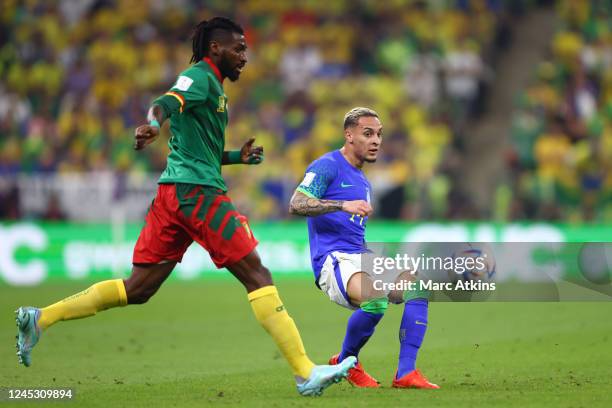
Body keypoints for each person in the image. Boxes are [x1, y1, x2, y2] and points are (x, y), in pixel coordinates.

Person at [15, 17, 355, 397]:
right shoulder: (200, 77)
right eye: (238, 48)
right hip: (199, 196)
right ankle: (305, 372)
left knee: (138, 288)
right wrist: (152, 124)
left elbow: (195, 148)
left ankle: (40, 318)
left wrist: (234, 156)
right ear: (216, 49)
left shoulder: (213, 86)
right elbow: (165, 102)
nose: (245, 56)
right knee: (258, 276)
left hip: (174, 194)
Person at [289, 107, 439, 389]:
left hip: (359, 256)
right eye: (367, 133)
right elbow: (296, 204)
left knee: (417, 287)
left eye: (379, 135)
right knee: (375, 299)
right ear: (349, 135)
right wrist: (342, 204)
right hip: (332, 260)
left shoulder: (363, 181)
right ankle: (347, 360)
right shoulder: (327, 165)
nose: (376, 141)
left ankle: (405, 373)